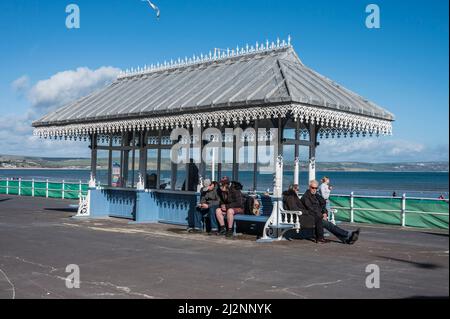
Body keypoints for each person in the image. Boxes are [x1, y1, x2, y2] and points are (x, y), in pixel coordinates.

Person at [301, 180, 360, 245]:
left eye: (316, 188)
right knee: (330, 225)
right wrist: (321, 215)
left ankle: (346, 240)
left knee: (329, 225)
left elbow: (323, 203)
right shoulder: (306, 197)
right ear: (309, 187)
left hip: (318, 216)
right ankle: (349, 234)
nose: (314, 189)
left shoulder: (316, 195)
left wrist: (324, 213)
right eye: (313, 188)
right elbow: (311, 209)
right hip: (311, 217)